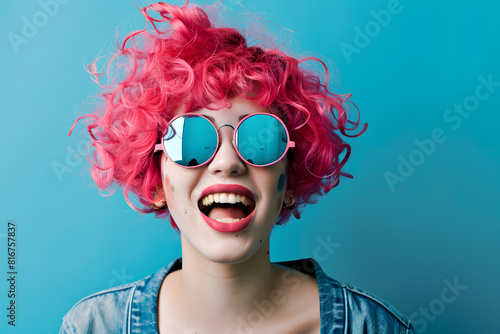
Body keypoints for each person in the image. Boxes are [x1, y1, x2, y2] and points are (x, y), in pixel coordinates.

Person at [60, 1, 415, 333]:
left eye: (260, 139)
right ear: (156, 182)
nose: (228, 163)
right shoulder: (95, 326)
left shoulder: (369, 326)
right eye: (192, 141)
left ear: (289, 180)